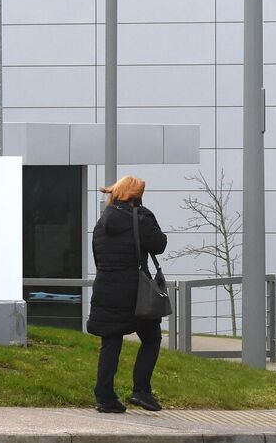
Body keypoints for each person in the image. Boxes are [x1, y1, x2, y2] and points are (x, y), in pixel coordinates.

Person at [86, 175, 167, 413]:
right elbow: (159, 245)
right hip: (134, 292)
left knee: (110, 342)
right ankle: (141, 391)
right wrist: (147, 215)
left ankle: (105, 397)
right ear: (135, 196)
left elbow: (98, 258)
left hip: (106, 289)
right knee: (151, 337)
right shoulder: (140, 218)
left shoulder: (101, 223)